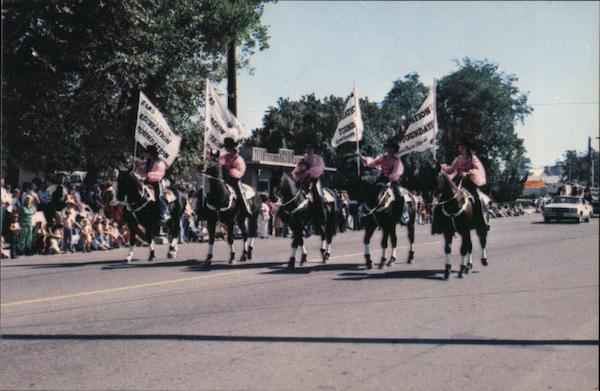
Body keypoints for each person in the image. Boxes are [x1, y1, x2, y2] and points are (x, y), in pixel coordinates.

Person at [439, 138, 489, 230]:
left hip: (470, 182)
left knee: (477, 198)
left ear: (467, 148)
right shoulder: (458, 159)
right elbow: (450, 169)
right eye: (460, 147)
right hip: (458, 181)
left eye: (462, 147)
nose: (460, 149)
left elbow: (477, 169)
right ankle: (443, 221)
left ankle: (483, 221)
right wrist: (441, 166)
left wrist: (468, 172)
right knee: (446, 197)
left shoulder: (472, 158)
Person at [359, 138, 405, 220]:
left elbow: (397, 172)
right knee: (370, 188)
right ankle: (365, 208)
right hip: (382, 179)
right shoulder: (383, 158)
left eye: (392, 148)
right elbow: (373, 163)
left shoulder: (396, 160)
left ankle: (403, 213)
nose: (390, 149)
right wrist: (363, 158)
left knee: (399, 194)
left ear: (394, 150)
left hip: (393, 181)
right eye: (389, 148)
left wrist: (390, 177)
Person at [292, 142, 326, 222]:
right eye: (307, 149)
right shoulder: (302, 160)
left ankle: (322, 216)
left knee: (318, 195)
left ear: (313, 150)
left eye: (310, 149)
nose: (308, 150)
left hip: (315, 179)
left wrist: (308, 172)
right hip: (303, 180)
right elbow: (296, 171)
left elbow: (320, 168)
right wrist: (297, 174)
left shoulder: (318, 159)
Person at [135, 144, 170, 221]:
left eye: (147, 153)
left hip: (156, 182)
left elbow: (159, 173)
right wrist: (137, 167)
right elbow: (142, 169)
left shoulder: (159, 163)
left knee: (159, 196)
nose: (146, 155)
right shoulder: (147, 162)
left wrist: (147, 176)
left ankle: (164, 212)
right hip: (146, 182)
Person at [219, 137, 250, 215]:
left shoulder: (238, 159)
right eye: (225, 147)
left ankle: (246, 208)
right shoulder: (224, 156)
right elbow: (219, 163)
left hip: (233, 179)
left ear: (231, 147)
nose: (226, 149)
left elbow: (240, 171)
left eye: (227, 147)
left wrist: (230, 171)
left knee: (239, 191)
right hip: (223, 178)